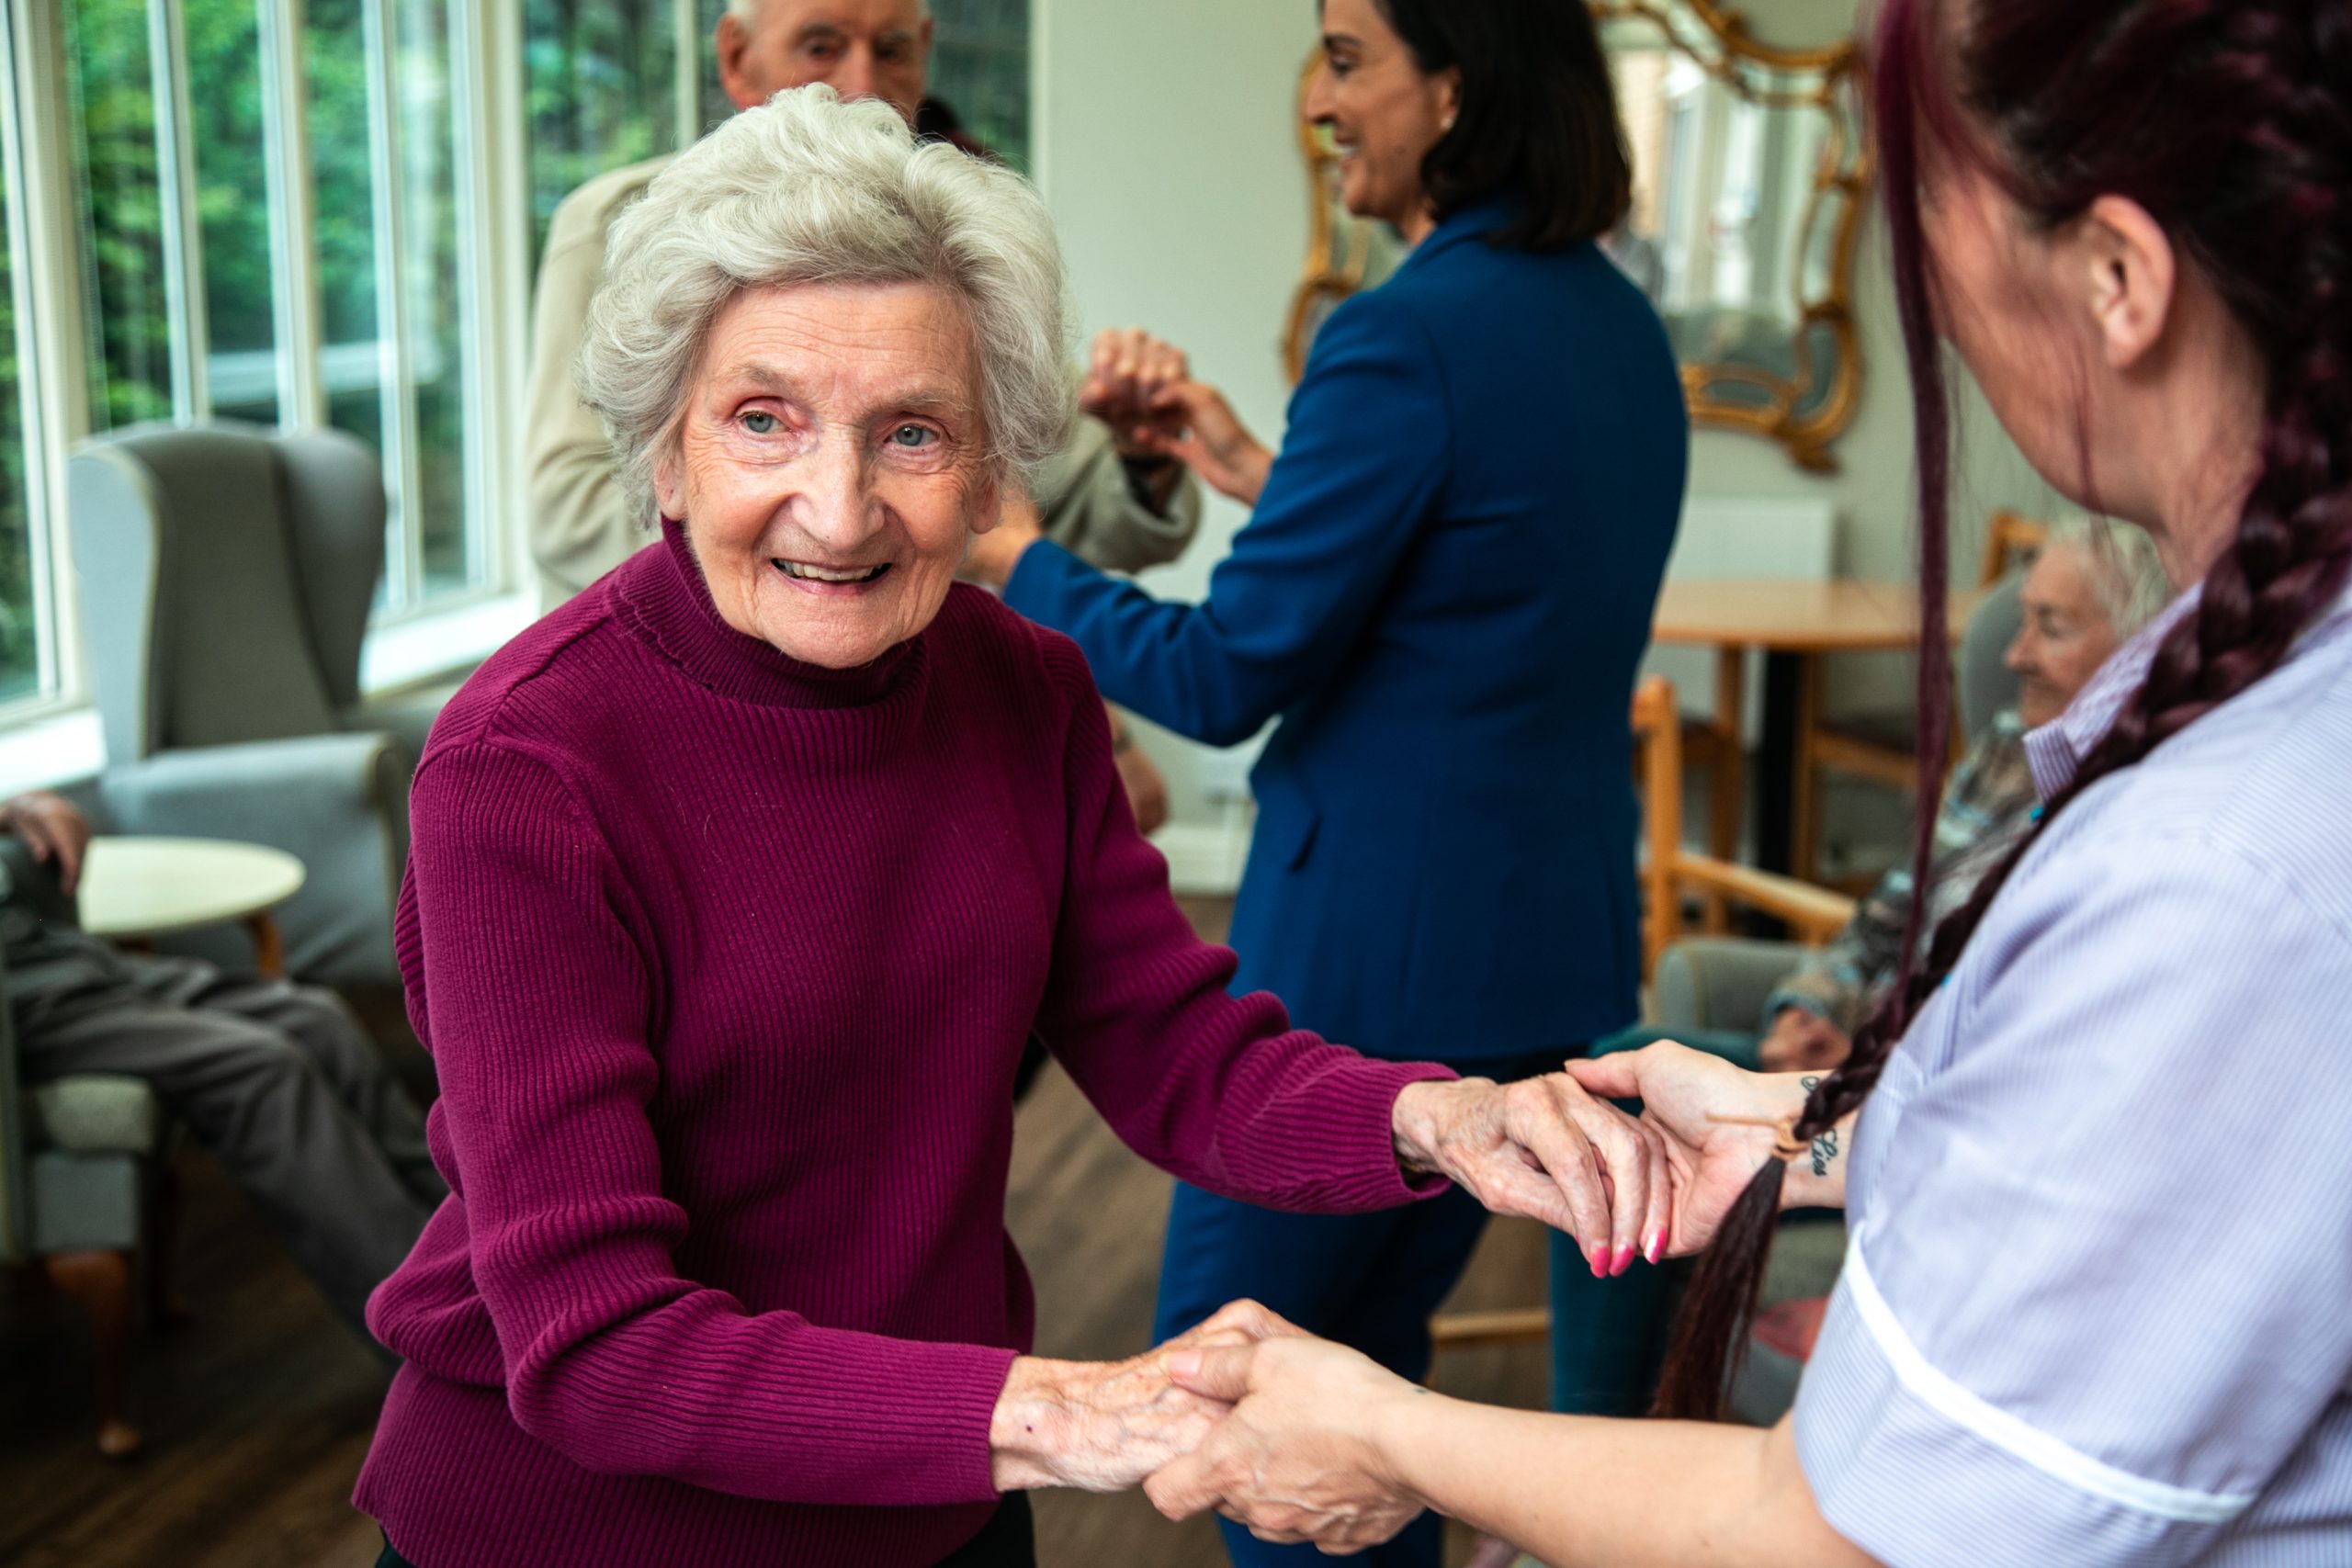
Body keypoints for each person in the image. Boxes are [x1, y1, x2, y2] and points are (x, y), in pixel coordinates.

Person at [354, 88, 1675, 1568]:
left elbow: (1176, 1050)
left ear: (993, 471)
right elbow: (596, 1338)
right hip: (586, 1529)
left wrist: (1445, 1118)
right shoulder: (524, 764)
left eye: (912, 432)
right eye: (762, 419)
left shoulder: (1023, 688)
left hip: (935, 1500)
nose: (838, 510)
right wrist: (1075, 1411)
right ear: (667, 449)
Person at [1127, 0, 2352, 1562]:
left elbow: (1842, 1529)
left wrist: (1386, 1437)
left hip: (1371, 940)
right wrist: (1802, 1131)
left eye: (1930, 191)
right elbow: (2128, 1152)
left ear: (2119, 276)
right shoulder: (1617, 325)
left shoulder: (2217, 872)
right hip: (1546, 924)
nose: (1925, 273)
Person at [964, 3, 1688, 1555]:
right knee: (1378, 1402)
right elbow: (1471, 576)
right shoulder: (1618, 324)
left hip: (1367, 978)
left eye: (1349, 56)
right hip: (1543, 958)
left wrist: (1018, 551)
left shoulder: (1402, 332)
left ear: (1458, 85)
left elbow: (1222, 675)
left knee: (1246, 1415)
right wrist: (1253, 465)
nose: (1319, 98)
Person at [0, 791, 443, 1334]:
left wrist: (22, 808)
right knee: (264, 1069)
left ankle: (479, 1244)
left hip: (46, 946)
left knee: (315, 1018)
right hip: (17, 1000)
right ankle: (434, 1327)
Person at [1758, 520, 2170, 1072]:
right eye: (2023, 622)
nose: (2015, 656)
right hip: (1846, 1058)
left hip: (1914, 1085)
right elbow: (1883, 920)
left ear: (2142, 648)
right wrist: (1808, 1012)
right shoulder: (2008, 745)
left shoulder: (2137, 815)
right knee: (1643, 1059)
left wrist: (1859, 1068)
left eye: (2050, 628)